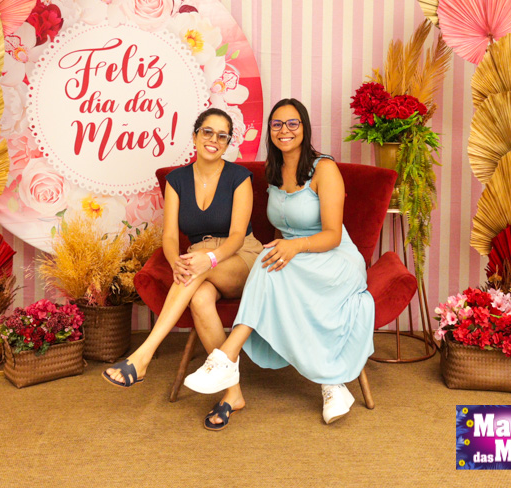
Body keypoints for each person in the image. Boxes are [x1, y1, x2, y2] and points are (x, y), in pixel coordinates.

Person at [184, 98, 375, 426]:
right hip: (296, 257)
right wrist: (280, 249)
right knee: (268, 261)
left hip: (334, 258)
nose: (284, 130)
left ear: (304, 128)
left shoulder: (324, 169)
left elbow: (332, 235)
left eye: (292, 123)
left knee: (268, 263)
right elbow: (281, 228)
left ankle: (226, 357)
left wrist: (293, 247)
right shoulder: (273, 172)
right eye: (277, 124)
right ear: (270, 131)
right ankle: (332, 384)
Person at [102, 109, 263, 405]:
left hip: (240, 255)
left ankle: (143, 354)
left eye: (222, 136)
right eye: (207, 132)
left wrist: (209, 259)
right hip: (198, 259)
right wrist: (175, 260)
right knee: (199, 298)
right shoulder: (176, 180)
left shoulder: (239, 177)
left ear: (228, 144)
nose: (213, 140)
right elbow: (170, 236)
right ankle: (233, 394)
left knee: (196, 265)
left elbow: (238, 236)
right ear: (195, 136)